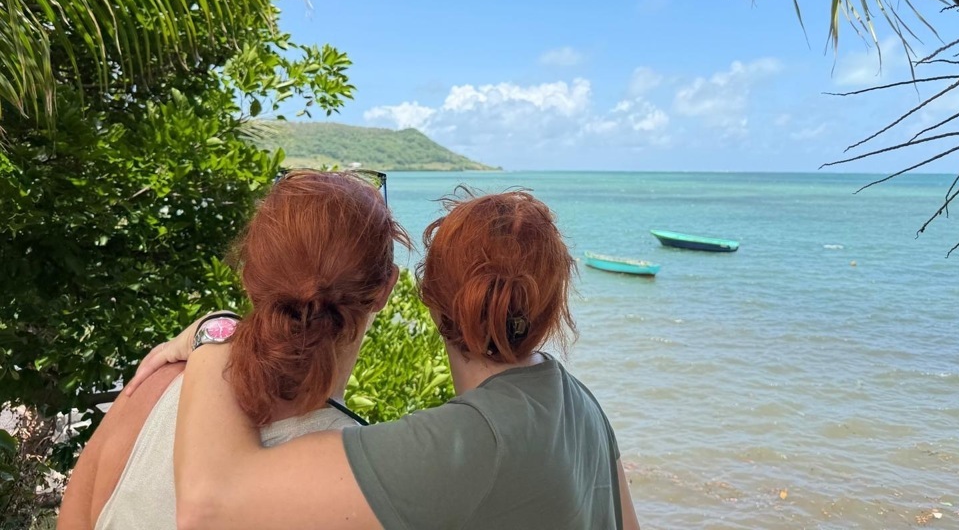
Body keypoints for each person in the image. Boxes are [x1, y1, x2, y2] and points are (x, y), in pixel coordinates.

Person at [132, 188, 641, 530]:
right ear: (550, 310)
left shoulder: (463, 443)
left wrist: (217, 332)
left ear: (427, 297)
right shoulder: (579, 404)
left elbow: (206, 505)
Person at [57, 170, 407, 530]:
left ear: (248, 275)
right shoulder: (365, 480)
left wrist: (216, 328)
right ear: (385, 289)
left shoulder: (158, 381)